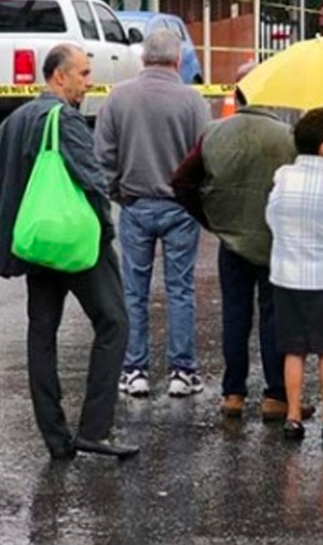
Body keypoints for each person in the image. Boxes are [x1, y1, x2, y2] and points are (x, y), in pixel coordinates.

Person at [0, 44, 137, 461]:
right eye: (83, 74)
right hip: (77, 244)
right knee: (114, 323)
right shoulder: (65, 119)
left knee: (42, 333)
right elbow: (92, 181)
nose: (89, 82)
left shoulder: (15, 120)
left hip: (36, 242)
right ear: (58, 76)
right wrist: (105, 235)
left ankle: (55, 437)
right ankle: (95, 428)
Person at [171, 63, 313, 422]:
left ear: (237, 94)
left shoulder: (214, 133)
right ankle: (275, 395)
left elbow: (182, 182)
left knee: (234, 315)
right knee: (272, 315)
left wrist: (212, 219)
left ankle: (233, 393)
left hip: (230, 242)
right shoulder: (288, 136)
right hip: (274, 241)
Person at [95, 30, 210, 398]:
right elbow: (204, 157)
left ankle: (134, 369)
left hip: (135, 203)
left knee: (134, 291)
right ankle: (182, 371)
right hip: (180, 206)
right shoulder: (193, 101)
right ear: (178, 61)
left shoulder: (118, 98)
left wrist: (117, 192)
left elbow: (104, 156)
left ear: (142, 58)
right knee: (180, 289)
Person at [266, 109, 323, 443]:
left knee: (294, 349)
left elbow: (271, 216)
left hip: (289, 274)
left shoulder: (283, 176)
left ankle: (292, 417)